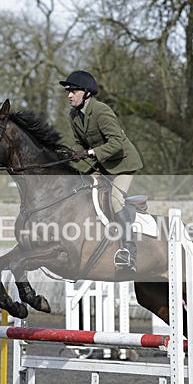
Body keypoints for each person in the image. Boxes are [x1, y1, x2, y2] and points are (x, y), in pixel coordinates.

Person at [59, 70, 143, 273]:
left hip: (122, 164)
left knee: (115, 200)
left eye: (73, 91)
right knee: (79, 191)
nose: (69, 95)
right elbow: (80, 143)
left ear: (86, 93)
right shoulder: (74, 116)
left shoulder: (101, 111)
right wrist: (72, 153)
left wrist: (88, 152)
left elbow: (116, 143)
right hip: (103, 165)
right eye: (68, 91)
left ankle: (129, 252)